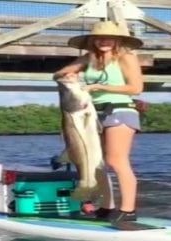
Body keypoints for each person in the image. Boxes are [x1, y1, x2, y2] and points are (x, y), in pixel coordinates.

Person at [53, 20, 144, 223]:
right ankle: (106, 207)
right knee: (97, 164)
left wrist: (96, 87)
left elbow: (136, 88)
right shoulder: (89, 58)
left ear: (117, 40)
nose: (104, 41)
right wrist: (68, 75)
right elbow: (57, 75)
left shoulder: (126, 57)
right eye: (100, 38)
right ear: (93, 41)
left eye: (109, 38)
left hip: (120, 110)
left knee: (116, 160)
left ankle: (128, 210)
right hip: (94, 113)